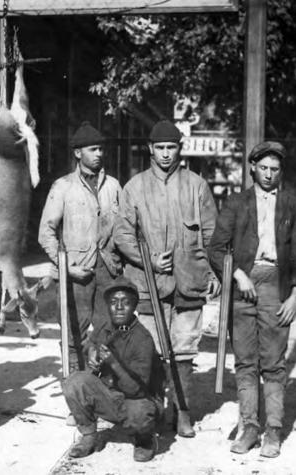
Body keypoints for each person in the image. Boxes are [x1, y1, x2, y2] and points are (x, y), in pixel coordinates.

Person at [114, 120, 219, 437]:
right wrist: (145, 260)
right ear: (150, 149)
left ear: (180, 149)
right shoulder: (134, 187)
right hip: (148, 286)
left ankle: (182, 412)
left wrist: (213, 272)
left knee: (184, 352)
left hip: (190, 282)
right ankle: (153, 411)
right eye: (159, 147)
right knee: (150, 353)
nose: (165, 154)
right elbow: (122, 233)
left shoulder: (197, 186)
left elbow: (212, 235)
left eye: (170, 147)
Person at [208, 141, 296, 458]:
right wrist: (237, 274)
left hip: (274, 285)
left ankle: (273, 432)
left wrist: (295, 295)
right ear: (252, 168)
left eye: (274, 169)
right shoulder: (236, 204)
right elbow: (215, 248)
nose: (268, 174)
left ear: (281, 172)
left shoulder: (292, 206)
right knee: (245, 362)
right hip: (242, 286)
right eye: (263, 168)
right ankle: (249, 427)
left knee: (274, 365)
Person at [38, 121, 122, 372]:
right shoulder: (62, 187)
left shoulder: (114, 186)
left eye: (101, 149)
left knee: (110, 331)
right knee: (75, 333)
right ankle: (75, 386)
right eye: (93, 149)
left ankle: (102, 385)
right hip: (77, 274)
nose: (99, 154)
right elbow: (46, 233)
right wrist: (67, 267)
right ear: (78, 153)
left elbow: (126, 229)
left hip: (108, 270)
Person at [62, 276, 162, 463]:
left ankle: (144, 440)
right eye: (114, 302)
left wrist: (113, 363)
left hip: (138, 399)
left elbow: (137, 390)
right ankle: (89, 435)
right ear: (107, 305)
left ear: (134, 307)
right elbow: (90, 343)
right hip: (111, 394)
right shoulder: (105, 326)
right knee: (74, 383)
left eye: (126, 302)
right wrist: (91, 351)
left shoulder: (142, 339)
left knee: (139, 412)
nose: (118, 307)